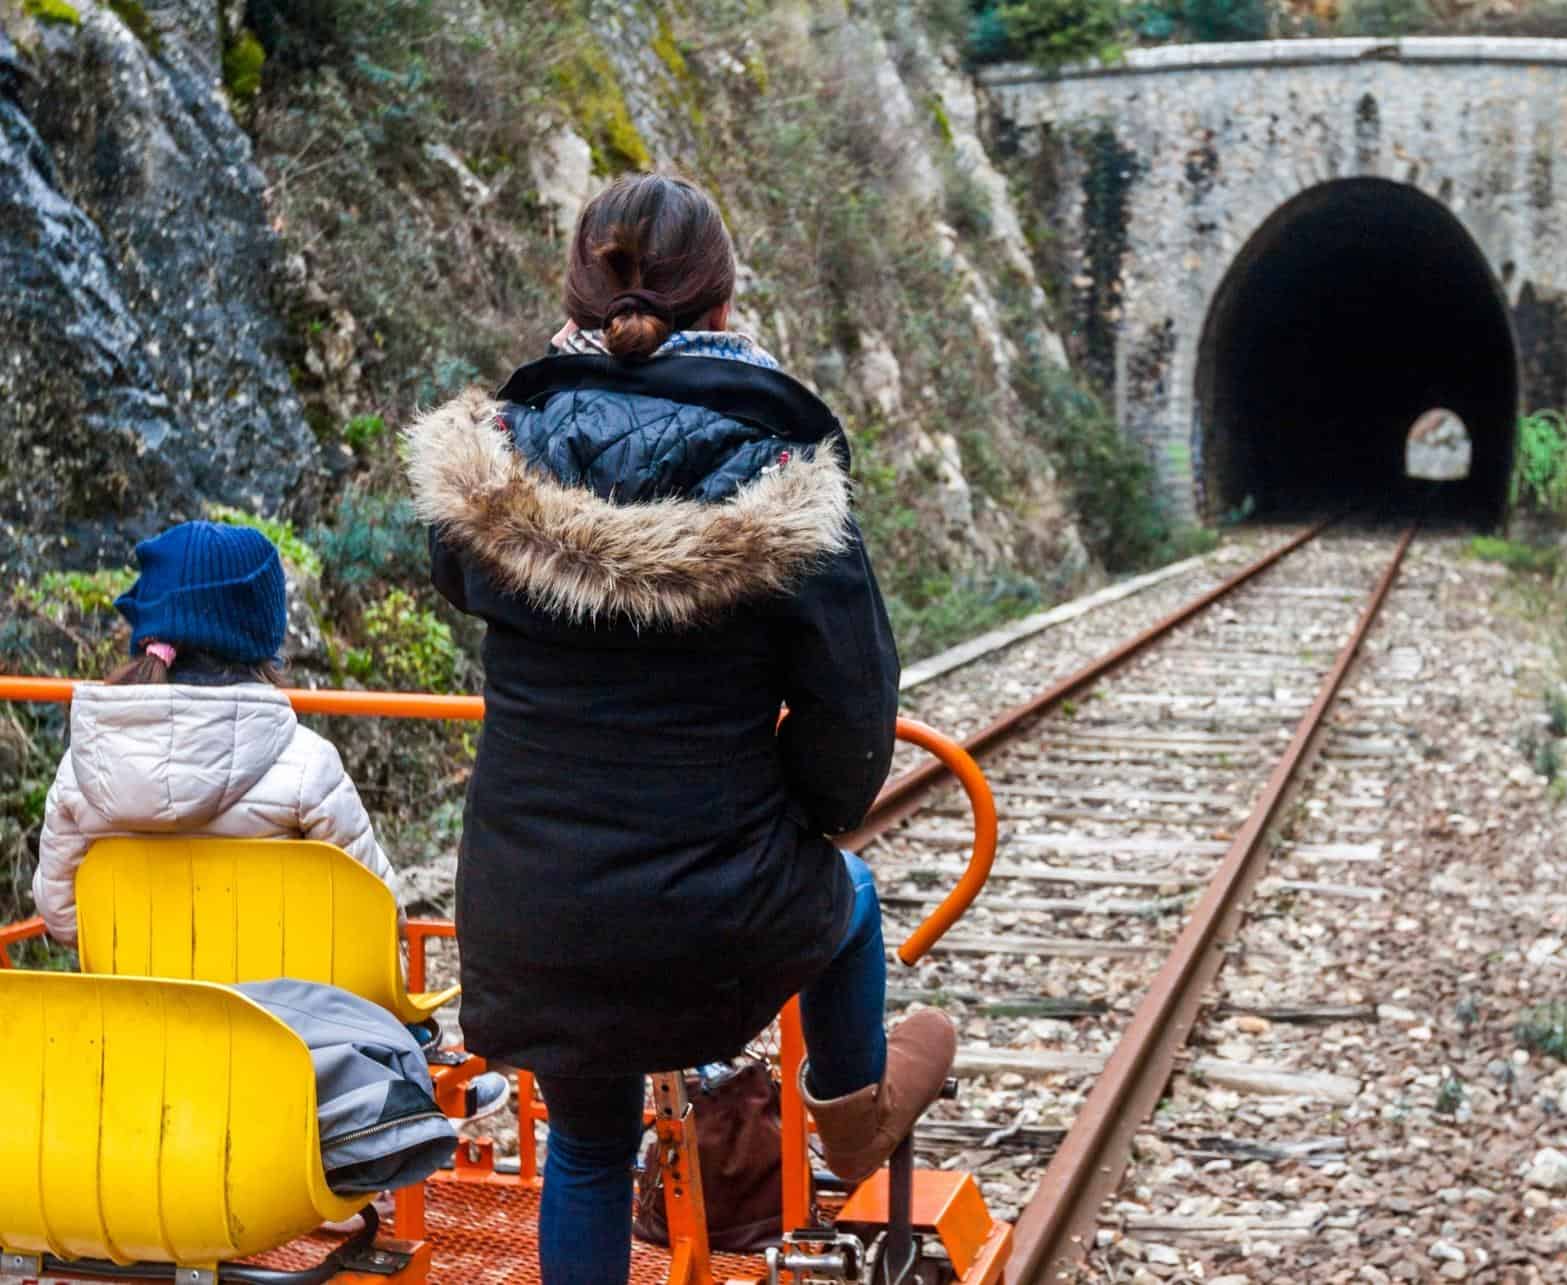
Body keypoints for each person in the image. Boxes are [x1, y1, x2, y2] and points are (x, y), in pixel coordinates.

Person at [408, 172, 955, 1285]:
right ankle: (852, 1115)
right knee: (846, 899)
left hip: (529, 903)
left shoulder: (491, 467)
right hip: (712, 901)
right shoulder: (780, 474)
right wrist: (798, 817)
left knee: (590, 1144)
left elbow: (464, 584)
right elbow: (855, 703)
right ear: (722, 302)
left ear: (577, 294)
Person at [31, 520, 510, 1130]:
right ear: (261, 634)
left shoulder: (84, 767)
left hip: (149, 1049)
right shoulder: (308, 765)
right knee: (401, 1023)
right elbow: (379, 914)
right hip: (292, 1055)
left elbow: (61, 915)